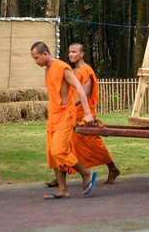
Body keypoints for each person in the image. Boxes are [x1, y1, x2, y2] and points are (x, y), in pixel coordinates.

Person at [45, 43, 120, 188]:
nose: (71, 55)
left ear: (82, 54)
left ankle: (113, 168)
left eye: (74, 52)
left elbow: (84, 93)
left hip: (84, 114)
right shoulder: (71, 71)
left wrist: (70, 105)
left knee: (94, 144)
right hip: (70, 114)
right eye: (69, 52)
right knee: (66, 146)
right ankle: (61, 179)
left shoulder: (87, 70)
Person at [31, 41, 97, 199]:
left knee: (59, 150)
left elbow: (80, 88)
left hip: (65, 115)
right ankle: (62, 189)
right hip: (53, 115)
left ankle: (86, 173)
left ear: (45, 54)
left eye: (37, 58)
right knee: (52, 154)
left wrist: (87, 113)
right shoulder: (47, 68)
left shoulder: (62, 67)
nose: (36, 61)